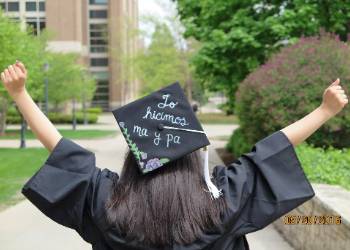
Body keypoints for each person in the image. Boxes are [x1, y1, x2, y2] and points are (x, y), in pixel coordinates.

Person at [0, 61, 348, 250]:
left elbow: (63, 152)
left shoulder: (108, 203)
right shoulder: (221, 202)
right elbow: (270, 153)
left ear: (135, 159)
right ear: (193, 155)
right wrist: (324, 110)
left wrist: (21, 95)